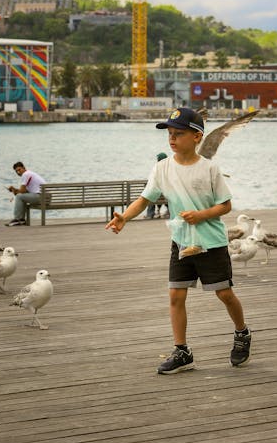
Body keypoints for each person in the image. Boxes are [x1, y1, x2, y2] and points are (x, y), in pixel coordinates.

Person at [105, 107, 251, 374]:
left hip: (212, 242)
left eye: (179, 134)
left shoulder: (209, 169)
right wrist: (124, 217)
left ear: (197, 137)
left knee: (225, 294)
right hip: (182, 242)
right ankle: (182, 351)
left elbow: (226, 205)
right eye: (170, 134)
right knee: (175, 295)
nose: (172, 139)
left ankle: (242, 333)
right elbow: (144, 199)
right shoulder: (162, 168)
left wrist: (201, 215)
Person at [5, 161, 45, 226]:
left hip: (41, 197)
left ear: (24, 167)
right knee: (20, 197)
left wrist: (14, 190)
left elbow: (21, 191)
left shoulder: (25, 174)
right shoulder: (30, 174)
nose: (18, 172)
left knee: (19, 196)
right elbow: (23, 192)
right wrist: (14, 190)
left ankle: (17, 219)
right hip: (45, 197)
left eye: (19, 170)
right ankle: (22, 220)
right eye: (16, 171)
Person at [145, 152, 169, 218]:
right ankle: (169, 212)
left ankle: (150, 214)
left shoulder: (156, 168)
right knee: (168, 196)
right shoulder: (170, 168)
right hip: (168, 195)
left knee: (151, 196)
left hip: (159, 195)